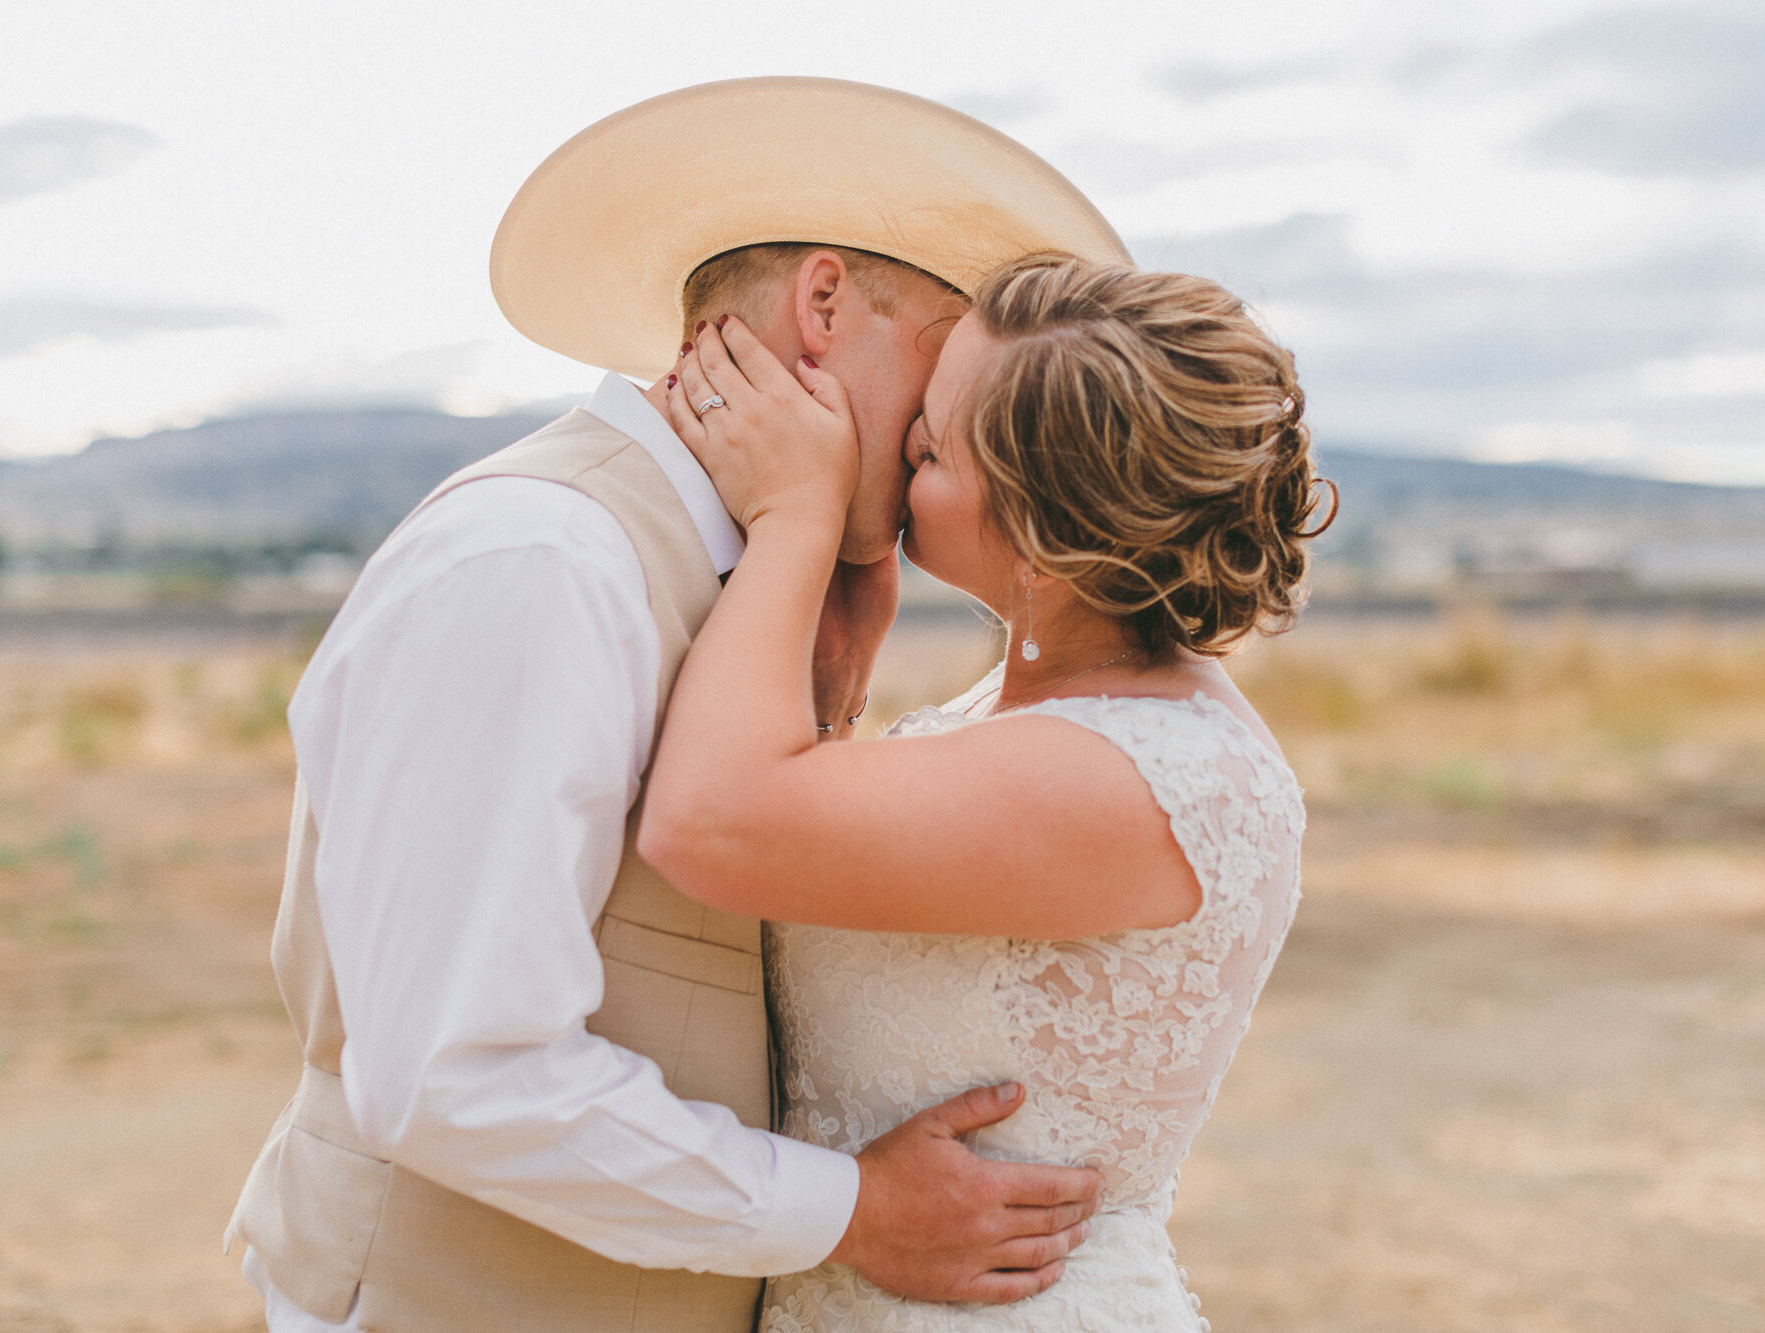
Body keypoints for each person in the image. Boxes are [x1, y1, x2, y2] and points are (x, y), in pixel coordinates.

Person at [226, 80, 1132, 1333]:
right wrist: (851, 1212)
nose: (955, 423)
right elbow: (459, 1071)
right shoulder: (543, 558)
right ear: (824, 307)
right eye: (944, 352)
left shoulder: (752, 585)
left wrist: (822, 696)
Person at [642, 253, 1331, 1331]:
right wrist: (835, 689)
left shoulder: (1134, 774)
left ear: (1045, 540)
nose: (890, 444)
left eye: (926, 445)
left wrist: (793, 519)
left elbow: (708, 825)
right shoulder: (1042, 714)